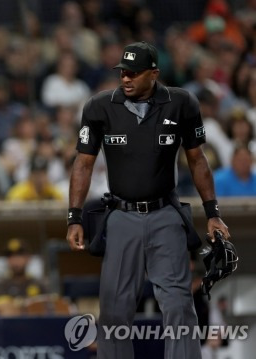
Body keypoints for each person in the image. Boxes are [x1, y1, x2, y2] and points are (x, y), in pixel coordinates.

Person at [65, 41, 230, 359]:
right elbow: (83, 163)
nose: (125, 79)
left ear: (154, 73)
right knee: (114, 311)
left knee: (179, 307)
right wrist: (73, 216)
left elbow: (197, 160)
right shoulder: (99, 106)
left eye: (134, 73)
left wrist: (213, 213)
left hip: (165, 213)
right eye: (122, 72)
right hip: (121, 214)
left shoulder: (181, 102)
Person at [0, 238, 47, 316]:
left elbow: (49, 310)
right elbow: (5, 312)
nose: (15, 260)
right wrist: (32, 307)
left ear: (28, 258)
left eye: (19, 255)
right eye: (10, 256)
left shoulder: (39, 284)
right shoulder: (1, 285)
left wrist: (16, 307)